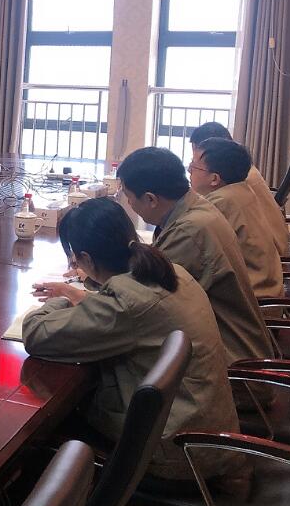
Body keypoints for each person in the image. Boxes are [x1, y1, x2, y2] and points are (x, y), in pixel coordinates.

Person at [25, 198, 242, 482]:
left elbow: (36, 333)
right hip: (204, 435)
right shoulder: (169, 270)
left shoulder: (126, 302)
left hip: (172, 453)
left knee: (43, 430)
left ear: (86, 259)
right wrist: (82, 296)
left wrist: (64, 297)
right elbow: (126, 312)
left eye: (75, 258)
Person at [117, 147, 274, 365]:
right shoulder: (197, 207)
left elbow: (139, 302)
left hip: (230, 362)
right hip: (230, 344)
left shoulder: (188, 232)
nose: (129, 204)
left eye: (128, 197)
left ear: (151, 199)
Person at [189, 138, 284, 299]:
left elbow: (190, 257)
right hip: (266, 289)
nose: (189, 171)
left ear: (214, 179)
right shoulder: (241, 190)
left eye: (193, 166)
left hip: (251, 302)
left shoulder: (218, 204)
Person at [190, 121, 289, 256]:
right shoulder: (242, 172)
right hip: (274, 248)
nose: (190, 169)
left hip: (273, 252)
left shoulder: (235, 184)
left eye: (195, 163)